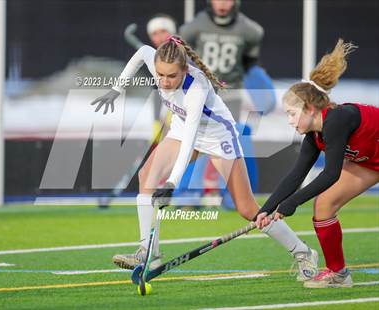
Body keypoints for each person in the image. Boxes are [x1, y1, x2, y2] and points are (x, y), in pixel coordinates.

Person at [91, 35, 318, 281]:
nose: (164, 82)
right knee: (146, 175)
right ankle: (148, 251)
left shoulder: (196, 89)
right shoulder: (154, 59)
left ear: (184, 70)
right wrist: (117, 89)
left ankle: (303, 252)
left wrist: (172, 183)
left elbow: (191, 140)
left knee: (247, 208)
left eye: (171, 76)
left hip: (218, 136)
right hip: (182, 128)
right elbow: (141, 53)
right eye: (160, 75)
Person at [255, 39, 379, 288]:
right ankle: (339, 274)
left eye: (292, 113)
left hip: (369, 158)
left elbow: (331, 174)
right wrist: (266, 209)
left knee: (322, 197)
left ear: (310, 108)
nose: (289, 121)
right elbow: (296, 174)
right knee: (324, 205)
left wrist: (291, 203)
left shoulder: (337, 119)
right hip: (371, 162)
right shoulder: (313, 134)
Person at [179, 0, 276, 204]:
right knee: (195, 140)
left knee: (227, 142)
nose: (222, 4)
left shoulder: (250, 30)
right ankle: (188, 195)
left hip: (229, 93)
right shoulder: (194, 27)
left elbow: (249, 64)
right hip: (200, 92)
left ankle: (233, 195)